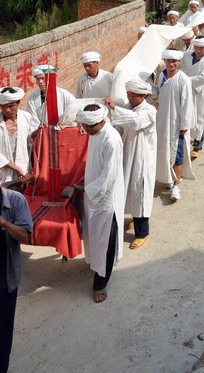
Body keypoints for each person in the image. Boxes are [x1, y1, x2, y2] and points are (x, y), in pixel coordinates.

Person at [75, 104, 125, 303]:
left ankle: (100, 283)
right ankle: (96, 264)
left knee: (106, 239)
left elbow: (109, 177)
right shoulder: (95, 134)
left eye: (89, 126)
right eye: (84, 125)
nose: (85, 130)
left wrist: (87, 189)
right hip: (93, 194)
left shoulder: (111, 139)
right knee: (95, 235)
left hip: (106, 199)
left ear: (100, 121)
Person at [105, 79, 156, 250]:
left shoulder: (149, 110)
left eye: (132, 95)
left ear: (142, 96)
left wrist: (114, 108)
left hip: (141, 158)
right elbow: (120, 125)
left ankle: (143, 233)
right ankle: (134, 218)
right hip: (126, 153)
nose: (128, 97)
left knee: (139, 192)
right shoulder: (127, 107)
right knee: (127, 190)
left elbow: (136, 121)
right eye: (128, 94)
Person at [0, 186, 33, 373]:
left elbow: (24, 234)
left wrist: (4, 223)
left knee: (3, 333)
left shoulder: (16, 200)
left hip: (4, 279)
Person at [155, 51, 195, 203]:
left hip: (176, 122)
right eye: (168, 61)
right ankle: (168, 178)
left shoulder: (183, 79)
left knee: (177, 154)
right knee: (164, 151)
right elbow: (159, 94)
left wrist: (185, 124)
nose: (171, 64)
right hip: (162, 120)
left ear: (179, 63)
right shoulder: (162, 76)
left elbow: (186, 102)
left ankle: (176, 184)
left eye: (174, 61)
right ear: (164, 61)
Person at [181, 37, 204, 159]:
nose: (198, 50)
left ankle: (197, 145)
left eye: (201, 48)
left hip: (201, 93)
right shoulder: (186, 55)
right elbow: (180, 70)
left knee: (200, 118)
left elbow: (203, 78)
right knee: (186, 115)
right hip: (187, 91)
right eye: (196, 48)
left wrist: (184, 80)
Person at [25, 66, 74, 134]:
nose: (40, 82)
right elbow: (33, 122)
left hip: (63, 133)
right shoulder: (32, 99)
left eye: (42, 78)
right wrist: (40, 129)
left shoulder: (64, 95)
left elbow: (74, 112)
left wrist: (65, 123)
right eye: (38, 79)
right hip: (44, 135)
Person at [0, 88, 32, 185]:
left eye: (11, 106)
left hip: (23, 169)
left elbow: (29, 140)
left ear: (18, 103)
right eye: (3, 106)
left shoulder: (26, 117)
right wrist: (14, 167)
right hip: (3, 172)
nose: (7, 110)